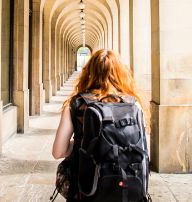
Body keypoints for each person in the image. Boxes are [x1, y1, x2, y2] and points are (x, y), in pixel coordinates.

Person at [52, 49, 150, 201]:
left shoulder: (76, 105)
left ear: (89, 72)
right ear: (120, 72)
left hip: (87, 190)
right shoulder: (133, 105)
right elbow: (141, 147)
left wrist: (81, 143)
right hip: (127, 188)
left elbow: (58, 152)